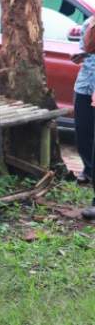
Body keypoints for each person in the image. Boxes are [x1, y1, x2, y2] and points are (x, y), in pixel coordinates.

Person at [72, 16, 95, 220]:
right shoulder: (89, 22)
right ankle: (89, 170)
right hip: (85, 85)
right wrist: (81, 55)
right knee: (83, 134)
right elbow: (87, 48)